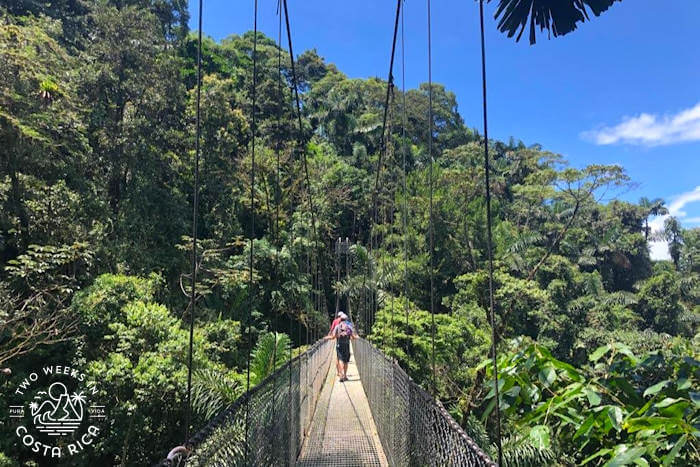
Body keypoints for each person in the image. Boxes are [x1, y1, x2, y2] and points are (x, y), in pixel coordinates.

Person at [324, 312, 357, 382]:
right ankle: (345, 375)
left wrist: (326, 337)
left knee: (340, 359)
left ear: (340, 319)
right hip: (347, 345)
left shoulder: (337, 326)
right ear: (346, 319)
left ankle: (341, 375)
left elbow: (333, 337)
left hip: (339, 345)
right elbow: (353, 337)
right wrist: (357, 337)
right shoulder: (349, 327)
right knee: (346, 361)